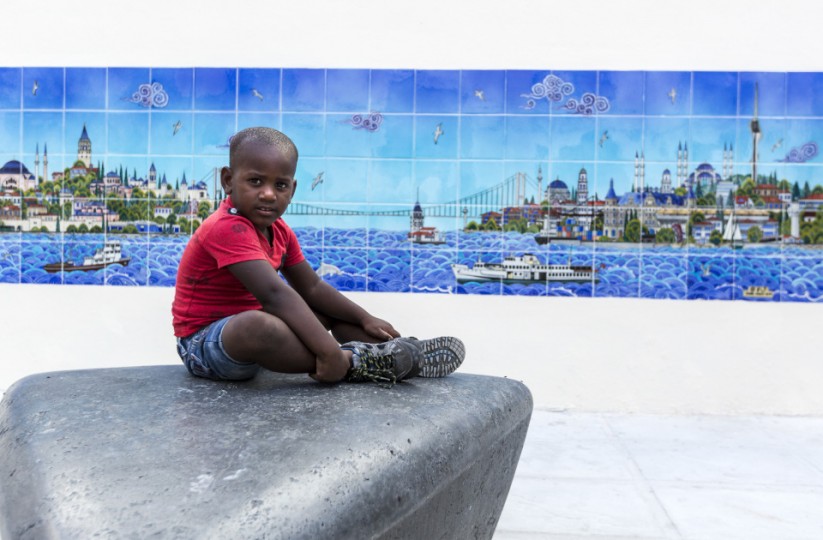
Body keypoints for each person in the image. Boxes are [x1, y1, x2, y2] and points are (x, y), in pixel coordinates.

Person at [172, 127, 464, 386]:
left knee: (324, 311)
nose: (269, 194)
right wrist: (328, 352)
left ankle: (401, 353)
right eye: (256, 181)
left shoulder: (279, 230)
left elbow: (312, 287)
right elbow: (275, 294)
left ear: (293, 189)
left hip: (245, 337)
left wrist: (364, 319)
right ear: (227, 180)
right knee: (258, 325)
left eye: (281, 185)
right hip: (204, 346)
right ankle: (356, 363)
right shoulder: (226, 228)